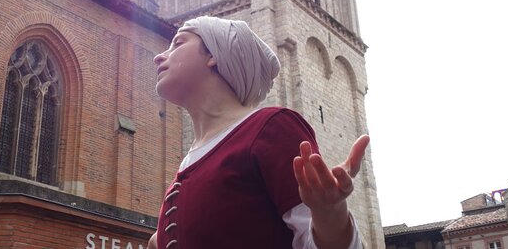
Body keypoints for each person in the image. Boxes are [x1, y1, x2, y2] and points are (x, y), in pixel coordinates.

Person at [148, 16, 370, 249]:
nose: (159, 56)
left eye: (178, 43)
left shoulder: (272, 128)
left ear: (214, 55)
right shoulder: (185, 166)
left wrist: (330, 213)